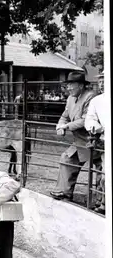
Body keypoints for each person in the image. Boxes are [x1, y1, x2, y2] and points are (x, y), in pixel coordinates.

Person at [50, 71, 99, 202]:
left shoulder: (91, 97)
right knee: (67, 158)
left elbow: (85, 120)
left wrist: (66, 126)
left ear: (81, 85)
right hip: (80, 140)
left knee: (102, 168)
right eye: (68, 85)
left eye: (72, 85)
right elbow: (64, 116)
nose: (69, 88)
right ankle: (64, 192)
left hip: (95, 141)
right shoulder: (71, 98)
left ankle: (102, 201)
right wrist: (60, 125)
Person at [85, 72, 106, 213]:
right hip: (105, 140)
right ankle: (103, 202)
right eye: (100, 81)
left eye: (106, 80)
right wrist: (99, 128)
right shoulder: (97, 101)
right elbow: (90, 119)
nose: (103, 84)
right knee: (104, 174)